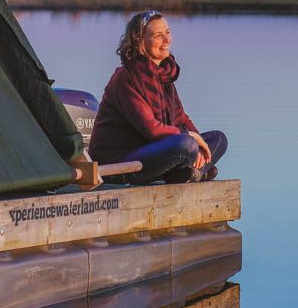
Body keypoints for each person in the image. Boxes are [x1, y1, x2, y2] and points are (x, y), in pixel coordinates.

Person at [88, 10, 227, 184]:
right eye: (158, 35)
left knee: (218, 138)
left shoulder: (164, 76)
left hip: (153, 153)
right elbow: (152, 129)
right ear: (140, 40)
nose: (167, 40)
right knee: (186, 144)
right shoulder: (127, 78)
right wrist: (192, 138)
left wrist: (200, 145)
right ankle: (195, 172)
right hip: (119, 163)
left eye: (167, 32)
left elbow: (182, 119)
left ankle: (188, 173)